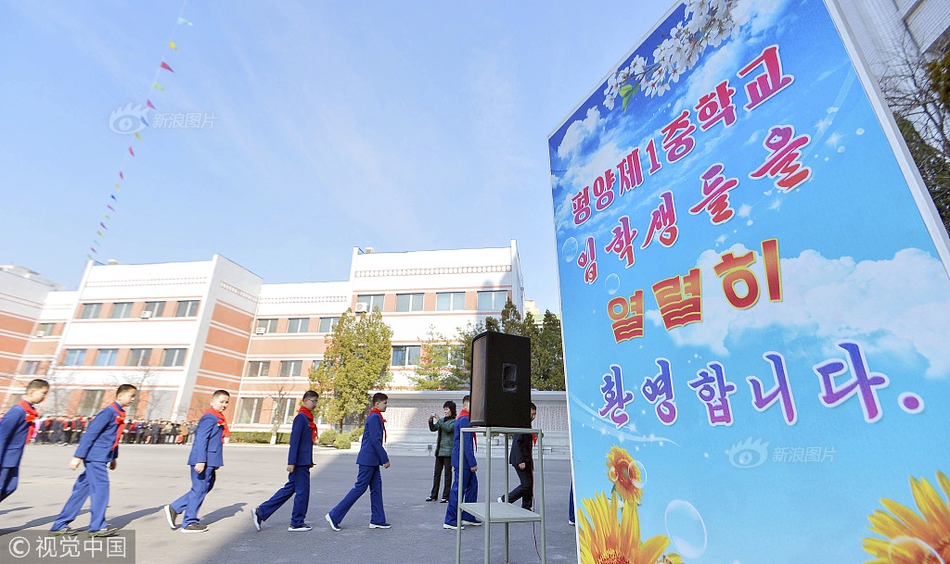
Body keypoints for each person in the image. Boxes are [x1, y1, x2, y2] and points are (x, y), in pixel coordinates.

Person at [51, 384, 137, 537]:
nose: (133, 399)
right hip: (95, 457)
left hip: (101, 456)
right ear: (120, 396)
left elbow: (113, 438)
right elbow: (91, 434)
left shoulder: (118, 413)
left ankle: (60, 524)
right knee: (101, 488)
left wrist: (113, 458)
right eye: (131, 396)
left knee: (82, 490)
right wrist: (78, 456)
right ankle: (97, 526)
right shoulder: (108, 412)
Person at [163, 390, 230, 533]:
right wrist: (201, 460)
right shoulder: (209, 417)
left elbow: (215, 442)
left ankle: (175, 507)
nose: (224, 405)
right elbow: (201, 439)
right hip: (203, 460)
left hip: (210, 460)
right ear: (212, 402)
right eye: (221, 402)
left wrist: (215, 462)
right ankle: (189, 522)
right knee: (199, 489)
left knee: (206, 486)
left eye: (226, 402)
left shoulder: (218, 417)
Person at [254, 391, 319, 532]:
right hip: (299, 462)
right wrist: (292, 462)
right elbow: (294, 441)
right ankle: (296, 522)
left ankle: (261, 512)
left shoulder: (308, 418)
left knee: (289, 489)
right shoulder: (301, 418)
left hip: (303, 460)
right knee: (303, 492)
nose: (315, 404)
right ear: (305, 401)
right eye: (313, 401)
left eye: (316, 401)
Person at [326, 392, 391, 531]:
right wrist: (385, 458)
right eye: (385, 403)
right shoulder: (374, 417)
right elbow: (375, 440)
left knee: (376, 489)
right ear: (377, 404)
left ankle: (378, 520)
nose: (386, 405)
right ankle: (334, 515)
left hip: (372, 460)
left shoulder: (375, 416)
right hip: (368, 460)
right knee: (360, 488)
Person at [0, 379, 49, 504]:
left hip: (14, 457)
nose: (44, 397)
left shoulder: (28, 410)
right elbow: (2, 436)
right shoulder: (18, 411)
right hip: (5, 458)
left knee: (10, 487)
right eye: (43, 393)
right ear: (32, 392)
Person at [443, 395, 481, 530]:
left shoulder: (464, 418)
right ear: (465, 405)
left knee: (472, 486)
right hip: (463, 460)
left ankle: (467, 515)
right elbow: (466, 443)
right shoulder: (465, 419)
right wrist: (472, 462)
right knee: (458, 490)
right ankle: (450, 519)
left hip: (462, 459)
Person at [499, 402, 537, 510]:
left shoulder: (527, 424)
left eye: (534, 414)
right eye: (531, 414)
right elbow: (517, 443)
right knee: (526, 485)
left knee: (529, 484)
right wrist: (520, 460)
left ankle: (526, 506)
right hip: (520, 459)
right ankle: (505, 499)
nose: (533, 417)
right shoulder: (521, 424)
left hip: (527, 459)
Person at [426, 400, 456, 503]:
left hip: (448, 452)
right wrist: (431, 422)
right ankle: (433, 495)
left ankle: (446, 496)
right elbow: (433, 428)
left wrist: (439, 420)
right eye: (444, 409)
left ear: (452, 410)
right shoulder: (442, 420)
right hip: (439, 451)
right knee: (436, 474)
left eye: (447, 409)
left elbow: (448, 429)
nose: (445, 411)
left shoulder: (454, 421)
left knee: (447, 475)